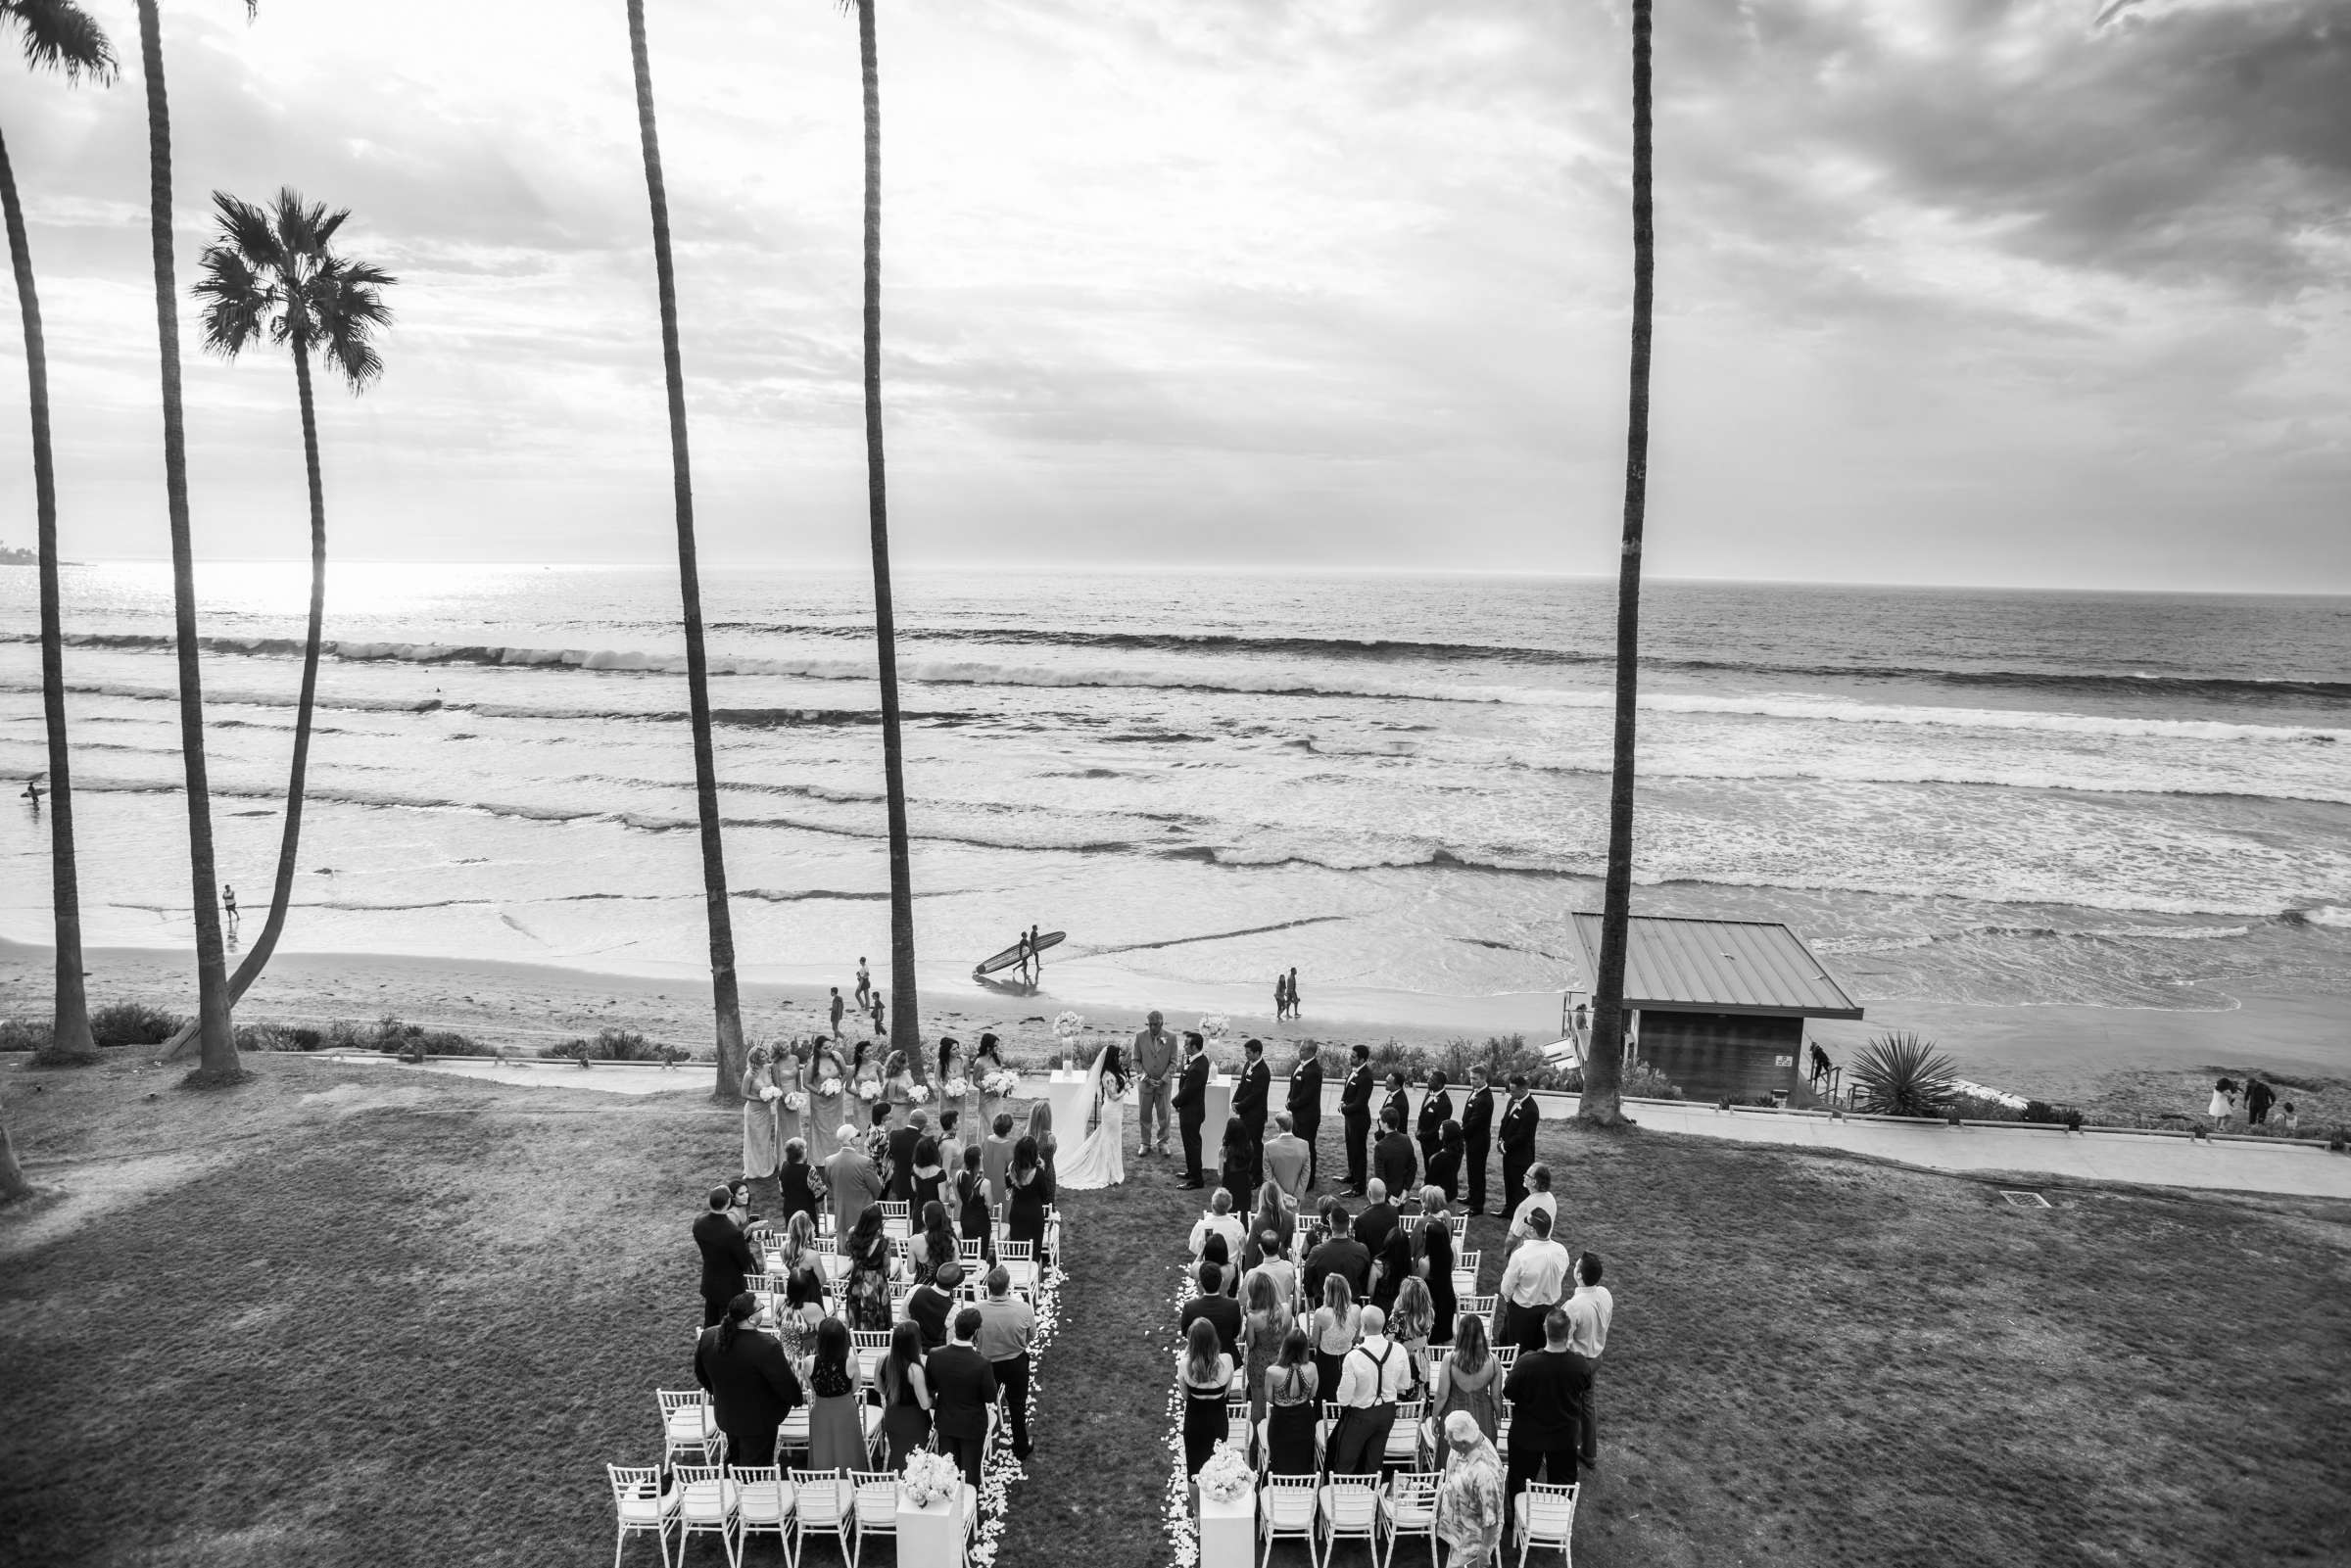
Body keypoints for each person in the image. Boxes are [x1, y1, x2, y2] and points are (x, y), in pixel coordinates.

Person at [1502, 1307, 1594, 1533]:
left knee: (1520, 1477)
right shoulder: (1580, 1365)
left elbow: (1508, 1391)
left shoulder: (1527, 1362)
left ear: (1545, 1329)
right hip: (1563, 1435)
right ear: (1569, 1331)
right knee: (1563, 1481)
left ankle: (1516, 1517)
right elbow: (1584, 1389)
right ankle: (1556, 1519)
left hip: (1528, 1434)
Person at [693, 1292, 804, 1467]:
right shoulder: (767, 1347)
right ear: (751, 1319)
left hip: (728, 1415)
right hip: (758, 1422)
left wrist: (718, 1392)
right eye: (761, 1308)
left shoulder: (707, 1336)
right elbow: (785, 1384)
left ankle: (734, 1481)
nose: (763, 1310)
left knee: (735, 1457)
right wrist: (797, 1399)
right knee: (755, 1471)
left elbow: (700, 1374)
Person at [1327, 1304, 1407, 1474]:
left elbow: (1343, 1399)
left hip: (1360, 1415)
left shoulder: (1353, 1357)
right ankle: (1370, 1496)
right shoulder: (1399, 1350)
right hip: (1387, 1412)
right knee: (1374, 1462)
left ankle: (1343, 1497)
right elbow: (1404, 1384)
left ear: (1363, 1327)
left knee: (1345, 1461)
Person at [928, 1307, 1000, 1488]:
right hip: (972, 1425)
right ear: (975, 1332)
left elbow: (930, 1386)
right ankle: (970, 1510)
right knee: (970, 1474)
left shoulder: (935, 1355)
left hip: (946, 1421)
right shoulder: (982, 1364)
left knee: (949, 1471)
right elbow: (991, 1397)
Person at [974, 1264, 1037, 1459]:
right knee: (1017, 1405)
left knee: (982, 1404)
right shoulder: (1024, 1309)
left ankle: (977, 1446)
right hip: (1016, 1363)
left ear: (988, 1288)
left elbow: (973, 1338)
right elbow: (1031, 1335)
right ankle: (1021, 1448)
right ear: (1008, 1286)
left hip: (987, 1365)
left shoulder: (977, 1311)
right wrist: (1017, 1345)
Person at [1494, 1208, 1571, 1354]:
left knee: (1515, 1353)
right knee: (1541, 1352)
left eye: (1527, 1224)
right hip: (1548, 1311)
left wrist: (1510, 1299)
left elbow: (1506, 1287)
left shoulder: (1521, 1255)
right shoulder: (1561, 1251)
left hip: (1522, 1313)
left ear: (1532, 1229)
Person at [1435, 1408, 1508, 1564]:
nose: (1446, 1439)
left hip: (1471, 1544)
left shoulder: (1485, 1473)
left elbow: (1492, 1518)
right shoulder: (1465, 1444)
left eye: (1449, 1439)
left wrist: (1484, 1551)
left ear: (1463, 1443)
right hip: (1459, 1534)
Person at [1059, 1033, 1129, 1190]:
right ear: (1113, 1057)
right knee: (1109, 1140)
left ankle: (1113, 1169)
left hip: (1116, 1112)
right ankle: (1108, 1171)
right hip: (1111, 1111)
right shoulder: (1107, 1075)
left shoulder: (1115, 1071)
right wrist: (1126, 1088)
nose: (1121, 1058)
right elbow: (1113, 1095)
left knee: (1113, 1140)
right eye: (1119, 1056)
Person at [1425, 1313, 1503, 1448]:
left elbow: (1442, 1395)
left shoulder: (1449, 1359)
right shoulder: (1494, 1361)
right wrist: (1498, 1417)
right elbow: (1496, 1397)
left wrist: (1434, 1418)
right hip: (1483, 1419)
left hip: (1454, 1420)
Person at [805, 1315, 867, 1473]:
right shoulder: (851, 1361)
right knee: (848, 1450)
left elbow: (812, 1388)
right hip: (846, 1410)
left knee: (823, 1451)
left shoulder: (809, 1362)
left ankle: (824, 1486)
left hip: (821, 1411)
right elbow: (855, 1387)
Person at [695, 1184, 760, 1329]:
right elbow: (744, 1261)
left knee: (710, 1324)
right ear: (728, 1203)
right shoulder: (733, 1233)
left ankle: (707, 1348)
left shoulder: (698, 1224)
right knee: (729, 1328)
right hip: (731, 1288)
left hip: (710, 1282)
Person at [1178, 1317, 1236, 1478]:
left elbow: (1185, 1396)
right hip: (1218, 1420)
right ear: (1214, 1339)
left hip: (1194, 1422)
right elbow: (1226, 1393)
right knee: (1218, 1468)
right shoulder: (1227, 1360)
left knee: (1194, 1470)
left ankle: (1197, 1505)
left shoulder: (1184, 1365)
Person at [874, 1318, 934, 1469]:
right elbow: (925, 1404)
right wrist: (934, 1399)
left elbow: (879, 1388)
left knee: (898, 1457)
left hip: (893, 1417)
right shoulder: (915, 1370)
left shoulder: (882, 1359)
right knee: (914, 1464)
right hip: (913, 1422)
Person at [1261, 1325, 1320, 1475]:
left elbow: (1269, 1398)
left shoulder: (1272, 1371)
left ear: (1285, 1347)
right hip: (1304, 1418)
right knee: (1301, 1457)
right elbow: (1313, 1394)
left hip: (1280, 1419)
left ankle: (1279, 1489)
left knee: (1280, 1458)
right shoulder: (1312, 1368)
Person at [1236, 1268, 1293, 1422]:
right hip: (1281, 1361)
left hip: (1259, 1366)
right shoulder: (1286, 1309)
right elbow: (1289, 1335)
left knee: (1258, 1403)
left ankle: (1257, 1440)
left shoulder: (1253, 1318)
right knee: (1280, 1400)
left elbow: (1250, 1343)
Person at [824, 1123, 886, 1238]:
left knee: (842, 1252)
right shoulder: (865, 1162)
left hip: (841, 1217)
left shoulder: (829, 1161)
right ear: (853, 1140)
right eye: (858, 1134)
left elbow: (830, 1186)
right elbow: (876, 1190)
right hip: (863, 1219)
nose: (860, 1136)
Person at [1130, 1011, 1177, 1159]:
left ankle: (1163, 1142)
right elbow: (1135, 1061)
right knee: (1144, 1115)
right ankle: (1145, 1143)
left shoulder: (1171, 1037)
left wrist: (1163, 1079)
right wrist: (1146, 1078)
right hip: (1145, 1084)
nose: (1152, 1028)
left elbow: (1174, 1062)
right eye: (1149, 1024)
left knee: (1164, 1115)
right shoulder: (1139, 1037)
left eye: (1155, 1025)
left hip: (1163, 1085)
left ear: (1162, 1023)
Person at [841, 1203, 895, 1332]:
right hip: (877, 1284)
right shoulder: (884, 1242)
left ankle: (857, 1341)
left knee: (857, 1314)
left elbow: (852, 1256)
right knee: (878, 1316)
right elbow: (887, 1269)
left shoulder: (852, 1234)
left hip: (857, 1281)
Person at [1304, 1207, 1371, 1305]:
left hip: (1325, 1302)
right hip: (1352, 1302)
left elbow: (1308, 1278)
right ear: (1348, 1225)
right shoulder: (1362, 1250)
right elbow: (1366, 1278)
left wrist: (1310, 1295)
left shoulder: (1317, 1251)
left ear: (1331, 1224)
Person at [1005, 1136, 1054, 1261]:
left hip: (1016, 1214)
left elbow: (1009, 1188)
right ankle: (1034, 1278)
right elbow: (1045, 1196)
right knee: (1034, 1256)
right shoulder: (1038, 1173)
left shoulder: (1011, 1169)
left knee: (1018, 1252)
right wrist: (1042, 1169)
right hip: (1034, 1216)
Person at [1233, 1038, 1272, 1194]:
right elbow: (1242, 1085)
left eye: (1248, 1052)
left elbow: (1255, 1095)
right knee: (1245, 1144)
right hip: (1245, 1112)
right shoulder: (1248, 1065)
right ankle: (1246, 1171)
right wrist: (1235, 1101)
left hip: (1255, 1115)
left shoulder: (1263, 1072)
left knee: (1255, 1146)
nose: (1246, 1055)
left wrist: (1240, 1106)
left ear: (1257, 1053)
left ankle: (1256, 1177)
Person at [1181, 1262, 1244, 1357]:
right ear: (1221, 1281)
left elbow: (1186, 1333)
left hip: (1199, 1356)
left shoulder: (1189, 1307)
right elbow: (1235, 1332)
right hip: (1226, 1354)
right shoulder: (1233, 1305)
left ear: (1200, 1284)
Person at [1499, 1075, 1540, 1219]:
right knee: (1509, 1182)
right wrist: (1500, 1141)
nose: (1510, 1093)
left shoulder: (1531, 1110)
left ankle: (1522, 1217)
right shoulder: (1512, 1100)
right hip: (1508, 1152)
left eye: (1513, 1091)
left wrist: (1505, 1145)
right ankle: (1508, 1210)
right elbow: (1505, 1121)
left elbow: (1523, 1136)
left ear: (1523, 1090)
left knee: (1520, 1186)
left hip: (1521, 1155)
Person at [741, 1045, 782, 1187]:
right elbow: (743, 1094)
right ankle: (754, 1169)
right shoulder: (750, 1074)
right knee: (754, 1139)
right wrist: (761, 1099)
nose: (766, 1058)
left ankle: (767, 1166)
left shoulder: (767, 1067)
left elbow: (777, 1061)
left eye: (766, 1055)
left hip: (765, 1110)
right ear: (755, 1059)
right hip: (753, 1111)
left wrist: (774, 1094)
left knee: (764, 1138)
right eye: (763, 1056)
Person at [1175, 1031, 1211, 1189]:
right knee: (1189, 1144)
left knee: (1193, 1145)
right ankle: (1191, 1172)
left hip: (1192, 1111)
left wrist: (1175, 1102)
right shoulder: (1195, 1060)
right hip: (1188, 1109)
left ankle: (1196, 1180)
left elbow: (1188, 1090)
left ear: (1194, 1046)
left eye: (1186, 1044)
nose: (1184, 1046)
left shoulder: (1198, 1066)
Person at [1286, 1040, 1324, 1191]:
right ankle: (1298, 1174)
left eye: (1301, 1050)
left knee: (1307, 1148)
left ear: (1310, 1052)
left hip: (1308, 1116)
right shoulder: (1302, 1064)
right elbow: (1295, 1086)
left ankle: (1309, 1181)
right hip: (1298, 1114)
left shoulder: (1314, 1071)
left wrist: (1291, 1104)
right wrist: (1289, 1099)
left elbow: (1307, 1096)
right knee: (1298, 1147)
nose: (1299, 1052)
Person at [1420, 1196, 1459, 1344]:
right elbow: (1451, 1269)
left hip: (1432, 1303)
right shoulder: (1452, 1249)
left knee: (1431, 1339)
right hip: (1448, 1297)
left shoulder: (1425, 1262)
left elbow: (1418, 1283)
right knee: (1447, 1336)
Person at [1339, 1044, 1375, 1195]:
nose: (1350, 1058)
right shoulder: (1354, 1071)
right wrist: (1342, 1102)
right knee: (1350, 1148)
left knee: (1359, 1152)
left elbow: (1360, 1102)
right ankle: (1352, 1175)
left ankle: (1359, 1186)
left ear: (1362, 1059)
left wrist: (1344, 1108)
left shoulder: (1366, 1077)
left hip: (1359, 1120)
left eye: (1353, 1056)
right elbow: (1348, 1090)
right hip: (1350, 1118)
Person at [1563, 1253, 1612, 1361]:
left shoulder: (1573, 1306)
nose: (1574, 1268)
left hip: (1576, 1363)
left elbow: (1564, 1341)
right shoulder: (1605, 1293)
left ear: (1579, 1275)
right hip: (1597, 1358)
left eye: (1576, 1266)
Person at [1461, 1065, 1496, 1215]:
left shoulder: (1485, 1099)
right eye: (1471, 1078)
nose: (1471, 1081)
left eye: (1474, 1079)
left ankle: (1477, 1206)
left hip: (1479, 1141)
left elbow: (1475, 1123)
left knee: (1477, 1173)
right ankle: (1471, 1196)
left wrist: (1459, 1134)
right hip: (1472, 1139)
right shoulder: (1476, 1092)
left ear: (1483, 1079)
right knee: (1471, 1170)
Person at [905, 1259, 961, 1351]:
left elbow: (903, 1320)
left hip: (910, 1350)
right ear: (955, 1286)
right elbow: (950, 1344)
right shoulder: (954, 1310)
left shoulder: (915, 1290)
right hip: (935, 1357)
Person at [808, 1043, 848, 1161]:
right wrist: (820, 1092)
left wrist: (838, 1085)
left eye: (831, 1046)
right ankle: (820, 1156)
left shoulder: (837, 1056)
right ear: (818, 1049)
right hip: (820, 1100)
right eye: (825, 1048)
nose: (829, 1049)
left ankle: (838, 1152)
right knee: (822, 1127)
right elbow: (806, 1083)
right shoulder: (813, 1062)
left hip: (836, 1099)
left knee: (836, 1124)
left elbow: (845, 1073)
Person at [1262, 1111, 1312, 1204]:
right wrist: (1297, 1196)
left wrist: (1282, 1195)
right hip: (1294, 1200)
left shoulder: (1268, 1146)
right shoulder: (1304, 1145)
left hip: (1274, 1198)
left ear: (1278, 1126)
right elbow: (1306, 1173)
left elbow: (1267, 1175)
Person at [910, 1201, 961, 1287]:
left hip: (921, 1291)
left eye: (923, 1214)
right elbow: (955, 1271)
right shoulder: (952, 1242)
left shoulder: (914, 1240)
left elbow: (910, 1270)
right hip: (943, 1292)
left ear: (926, 1218)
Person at [776, 1138, 824, 1229]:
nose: (807, 1150)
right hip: (806, 1214)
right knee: (809, 1239)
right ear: (801, 1153)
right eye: (805, 1148)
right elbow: (820, 1194)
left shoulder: (784, 1166)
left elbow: (782, 1191)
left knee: (794, 1239)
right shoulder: (810, 1170)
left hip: (789, 1212)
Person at [955, 1145, 994, 1256]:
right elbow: (990, 1206)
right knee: (981, 1253)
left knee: (970, 1250)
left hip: (965, 1217)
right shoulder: (985, 1183)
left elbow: (962, 1195)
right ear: (979, 1160)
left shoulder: (959, 1175)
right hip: (981, 1221)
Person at [1191, 1187, 1246, 1264]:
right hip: (1231, 1271)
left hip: (1208, 1270)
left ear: (1212, 1206)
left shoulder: (1201, 1225)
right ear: (1230, 1206)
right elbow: (1244, 1250)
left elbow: (1194, 1249)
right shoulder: (1238, 1226)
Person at [1508, 1164, 1558, 1247]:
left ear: (1534, 1182)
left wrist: (1508, 1253)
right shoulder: (1551, 1199)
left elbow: (1513, 1237)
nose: (1524, 1176)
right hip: (1544, 1248)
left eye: (1527, 1175)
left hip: (1525, 1251)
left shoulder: (1525, 1206)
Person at [1373, 1108, 1417, 1200]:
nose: (1379, 1122)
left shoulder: (1380, 1147)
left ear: (1385, 1124)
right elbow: (1412, 1167)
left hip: (1386, 1195)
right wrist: (1406, 1190)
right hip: (1401, 1192)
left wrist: (1388, 1197)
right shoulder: (1406, 1139)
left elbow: (1380, 1176)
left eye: (1380, 1120)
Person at [1417, 1071, 1455, 1169]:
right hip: (1424, 1140)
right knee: (1427, 1165)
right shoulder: (1429, 1093)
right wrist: (1419, 1130)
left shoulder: (1445, 1104)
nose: (1428, 1081)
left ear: (1440, 1084)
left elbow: (1438, 1127)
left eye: (1432, 1080)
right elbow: (1422, 1115)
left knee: (1434, 1167)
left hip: (1434, 1143)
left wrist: (1423, 1136)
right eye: (1429, 1079)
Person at [983, 1113, 1018, 1212]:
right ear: (1009, 1129)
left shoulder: (985, 1142)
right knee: (1003, 1218)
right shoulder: (1011, 1147)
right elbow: (1013, 1172)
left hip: (986, 1185)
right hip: (1003, 1188)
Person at [1217, 1115, 1253, 1208]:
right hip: (1245, 1186)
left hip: (1229, 1187)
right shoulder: (1249, 1147)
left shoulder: (1224, 1150)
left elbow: (1221, 1175)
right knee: (1243, 1215)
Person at [1427, 1120, 1463, 1205]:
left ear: (1448, 1133)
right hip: (1452, 1194)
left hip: (1438, 1199)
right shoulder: (1458, 1151)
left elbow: (1430, 1180)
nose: (1438, 1131)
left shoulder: (1441, 1157)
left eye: (1441, 1129)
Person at [1025, 1100, 1059, 1186]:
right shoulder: (1050, 1137)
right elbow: (1048, 1162)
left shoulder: (1026, 1134)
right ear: (1048, 1118)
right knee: (1047, 1198)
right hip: (1046, 1176)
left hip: (1029, 1174)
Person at [1380, 1071, 1412, 1140]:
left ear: (1397, 1085)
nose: (1385, 1084)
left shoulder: (1400, 1103)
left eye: (1388, 1083)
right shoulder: (1393, 1093)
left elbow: (1394, 1126)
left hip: (1394, 1139)